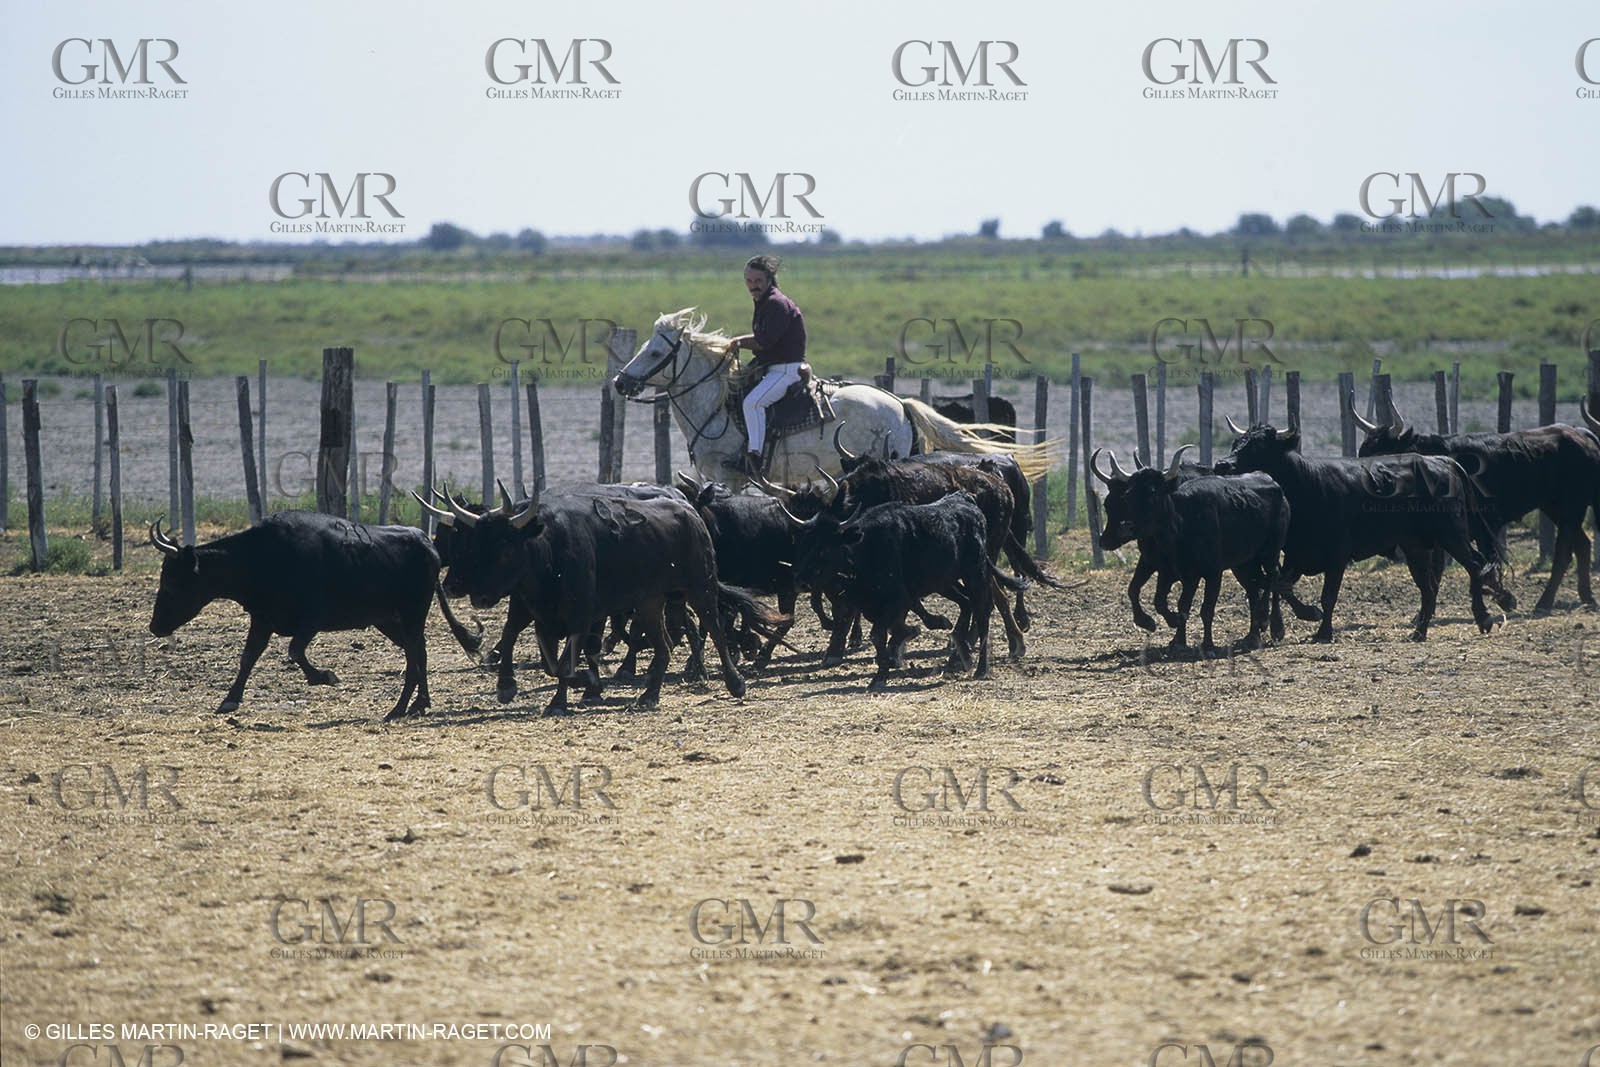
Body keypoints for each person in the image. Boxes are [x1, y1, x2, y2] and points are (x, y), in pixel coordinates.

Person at [726, 254, 806, 476]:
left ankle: (755, 458)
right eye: (749, 281)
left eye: (758, 281)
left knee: (753, 403)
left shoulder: (775, 304)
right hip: (775, 368)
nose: (753, 286)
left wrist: (737, 342)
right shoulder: (765, 302)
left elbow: (764, 341)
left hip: (786, 370)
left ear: (770, 279)